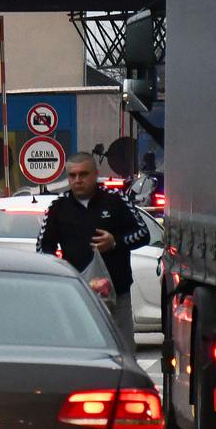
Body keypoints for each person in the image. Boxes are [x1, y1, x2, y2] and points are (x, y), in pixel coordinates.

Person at [37, 152, 151, 354]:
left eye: (84, 174)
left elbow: (143, 234)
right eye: (72, 176)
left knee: (123, 351)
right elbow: (43, 248)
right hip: (77, 295)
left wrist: (115, 241)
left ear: (95, 174)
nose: (78, 180)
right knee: (80, 351)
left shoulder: (115, 200)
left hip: (117, 294)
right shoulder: (59, 207)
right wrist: (61, 271)